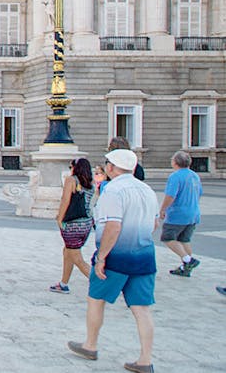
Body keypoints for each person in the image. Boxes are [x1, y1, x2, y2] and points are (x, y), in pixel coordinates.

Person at [67, 149, 157, 373]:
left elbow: (113, 227)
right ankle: (146, 359)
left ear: (110, 167)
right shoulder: (147, 190)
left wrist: (101, 257)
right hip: (145, 255)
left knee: (96, 299)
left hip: (116, 256)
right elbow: (154, 224)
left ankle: (91, 344)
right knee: (142, 309)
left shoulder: (113, 191)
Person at [52, 157, 95, 293]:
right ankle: (64, 283)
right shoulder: (91, 183)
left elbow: (65, 200)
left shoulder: (71, 180)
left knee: (77, 258)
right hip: (86, 223)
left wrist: (60, 218)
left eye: (71, 167)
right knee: (68, 252)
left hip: (72, 224)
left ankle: (101, 283)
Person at [160, 150, 203, 277]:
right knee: (184, 240)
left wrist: (163, 209)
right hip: (193, 213)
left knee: (168, 238)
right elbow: (199, 193)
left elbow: (170, 195)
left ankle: (188, 260)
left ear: (175, 162)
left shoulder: (175, 176)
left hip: (178, 214)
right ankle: (185, 268)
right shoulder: (195, 176)